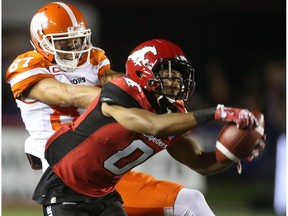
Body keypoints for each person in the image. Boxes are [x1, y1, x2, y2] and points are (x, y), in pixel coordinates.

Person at [6, 2, 232, 215]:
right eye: (64, 43)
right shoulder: (29, 66)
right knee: (188, 203)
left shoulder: (92, 59)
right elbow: (69, 94)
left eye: (77, 40)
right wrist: (129, 100)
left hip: (104, 167)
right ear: (41, 42)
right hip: (67, 170)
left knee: (190, 201)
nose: (74, 48)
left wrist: (154, 84)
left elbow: (122, 81)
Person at [31, 38, 265, 216]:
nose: (175, 81)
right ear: (143, 71)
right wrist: (217, 112)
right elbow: (151, 125)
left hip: (105, 194)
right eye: (167, 73)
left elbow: (200, 162)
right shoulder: (121, 91)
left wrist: (233, 154)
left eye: (179, 76)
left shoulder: (174, 114)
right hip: (65, 186)